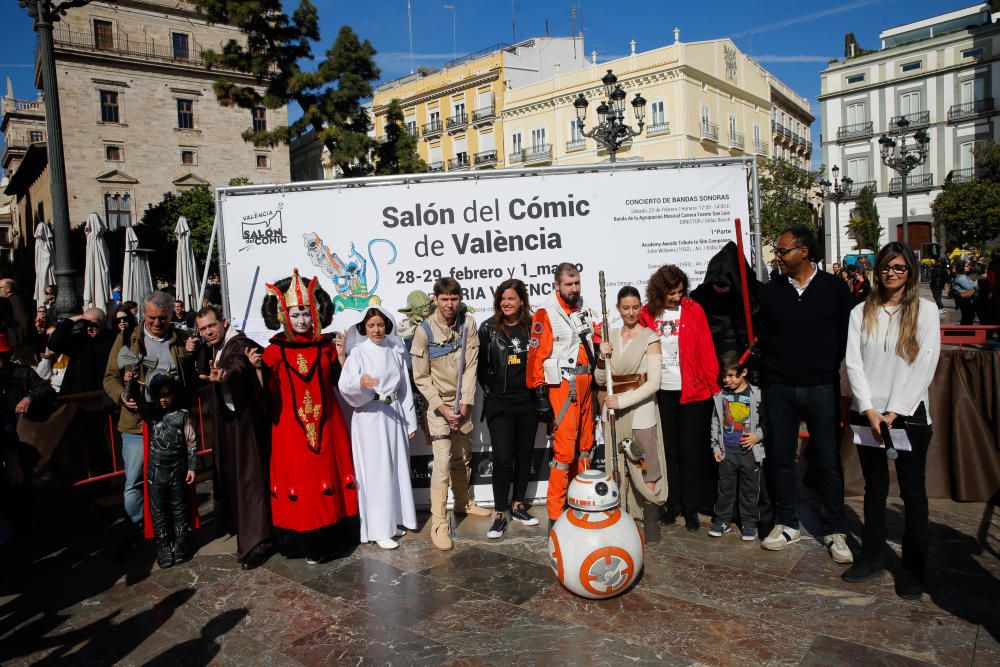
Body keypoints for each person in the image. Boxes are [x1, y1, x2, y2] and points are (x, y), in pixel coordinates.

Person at [843, 243, 940, 599]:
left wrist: (894, 411)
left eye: (899, 268)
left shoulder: (926, 312)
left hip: (909, 415)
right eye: (886, 267)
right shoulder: (860, 312)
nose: (892, 273)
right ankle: (870, 557)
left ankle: (913, 569)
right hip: (868, 414)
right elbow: (853, 363)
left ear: (909, 272)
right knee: (874, 489)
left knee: (913, 493)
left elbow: (925, 364)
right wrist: (869, 409)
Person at [757, 225, 854, 562]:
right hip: (779, 387)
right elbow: (764, 334)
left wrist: (825, 363)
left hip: (820, 386)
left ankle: (834, 528)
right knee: (781, 458)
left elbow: (845, 335)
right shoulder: (772, 292)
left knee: (827, 460)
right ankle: (786, 523)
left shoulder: (835, 289)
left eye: (783, 251)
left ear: (804, 252)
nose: (777, 257)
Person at [260, 270, 357, 564]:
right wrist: (255, 372)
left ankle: (332, 540)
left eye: (305, 313)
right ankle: (298, 541)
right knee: (300, 481)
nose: (301, 320)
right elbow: (264, 394)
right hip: (290, 432)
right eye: (295, 314)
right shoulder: (273, 352)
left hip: (328, 428)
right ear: (282, 315)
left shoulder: (327, 346)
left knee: (326, 477)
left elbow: (342, 384)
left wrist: (341, 357)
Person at [104, 291, 195, 549]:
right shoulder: (127, 338)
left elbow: (190, 379)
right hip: (136, 422)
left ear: (171, 316)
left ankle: (171, 533)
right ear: (144, 314)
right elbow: (109, 377)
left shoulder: (181, 340)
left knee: (173, 480)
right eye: (152, 318)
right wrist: (121, 395)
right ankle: (134, 533)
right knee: (135, 479)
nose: (157, 323)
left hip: (170, 423)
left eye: (163, 318)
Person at [411, 277, 489, 551]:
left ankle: (462, 503)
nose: (449, 304)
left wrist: (465, 403)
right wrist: (444, 408)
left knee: (463, 456)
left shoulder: (468, 325)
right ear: (435, 299)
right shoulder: (424, 331)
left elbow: (471, 367)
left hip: (463, 403)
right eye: (444, 299)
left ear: (459, 299)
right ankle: (439, 524)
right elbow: (420, 378)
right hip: (437, 406)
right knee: (442, 464)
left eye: (454, 298)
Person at [193, 305, 273, 570]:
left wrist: (227, 375)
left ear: (224, 322)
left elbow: (239, 366)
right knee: (237, 480)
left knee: (250, 482)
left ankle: (257, 542)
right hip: (232, 428)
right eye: (203, 329)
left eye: (211, 326)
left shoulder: (239, 344)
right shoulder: (214, 348)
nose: (208, 332)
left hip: (247, 428)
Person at [640, 265, 719, 532]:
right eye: (671, 292)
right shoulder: (646, 314)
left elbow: (706, 348)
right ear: (659, 291)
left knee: (690, 452)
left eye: (680, 291)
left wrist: (714, 387)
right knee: (668, 452)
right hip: (660, 393)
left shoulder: (694, 310)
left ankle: (691, 509)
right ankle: (671, 507)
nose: (676, 297)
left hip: (692, 393)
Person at [527, 264, 600, 529]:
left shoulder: (583, 308)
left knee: (585, 448)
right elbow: (536, 355)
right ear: (556, 285)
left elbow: (592, 342)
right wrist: (540, 393)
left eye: (577, 283)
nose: (574, 288)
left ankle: (581, 504)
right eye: (569, 284)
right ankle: (556, 516)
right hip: (563, 387)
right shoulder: (546, 313)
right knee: (563, 453)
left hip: (586, 383)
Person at [338, 307, 417, 550]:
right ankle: (379, 529)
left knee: (394, 468)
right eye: (371, 325)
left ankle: (393, 521)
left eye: (380, 325)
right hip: (370, 418)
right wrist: (360, 383)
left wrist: (410, 421)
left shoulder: (394, 351)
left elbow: (404, 389)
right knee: (376, 473)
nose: (376, 329)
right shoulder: (359, 354)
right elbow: (346, 384)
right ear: (364, 327)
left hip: (393, 416)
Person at [594, 285, 666, 544]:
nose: (631, 312)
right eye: (626, 308)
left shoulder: (651, 338)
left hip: (640, 410)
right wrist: (602, 359)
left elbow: (654, 383)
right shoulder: (609, 335)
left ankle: (650, 527)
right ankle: (621, 522)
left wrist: (622, 400)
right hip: (613, 411)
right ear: (618, 309)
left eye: (635, 307)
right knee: (616, 469)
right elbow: (601, 379)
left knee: (646, 465)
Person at [477, 279, 540, 539]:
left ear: (521, 301)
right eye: (502, 299)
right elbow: (480, 367)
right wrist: (492, 392)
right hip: (500, 403)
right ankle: (500, 513)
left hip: (528, 402)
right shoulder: (488, 328)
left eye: (511, 298)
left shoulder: (533, 326)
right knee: (503, 459)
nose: (506, 303)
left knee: (524, 456)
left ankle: (519, 506)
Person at [141, 372, 198, 569]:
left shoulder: (183, 415)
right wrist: (130, 383)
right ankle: (163, 546)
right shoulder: (151, 414)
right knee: (158, 511)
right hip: (155, 472)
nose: (163, 400)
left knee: (179, 508)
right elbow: (134, 401)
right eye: (159, 396)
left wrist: (192, 466)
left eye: (166, 395)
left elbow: (191, 442)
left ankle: (181, 543)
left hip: (177, 469)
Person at [709, 351, 765, 542]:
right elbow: (715, 423)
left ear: (744, 372)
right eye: (724, 375)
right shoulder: (721, 396)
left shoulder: (756, 394)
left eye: (732, 375)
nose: (727, 380)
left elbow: (768, 422)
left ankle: (749, 524)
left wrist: (757, 436)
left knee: (749, 491)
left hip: (749, 454)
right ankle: (723, 520)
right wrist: (716, 448)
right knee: (725, 489)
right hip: (727, 453)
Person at [46, 308, 115, 395]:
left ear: (103, 324)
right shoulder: (79, 339)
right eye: (86, 324)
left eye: (93, 325)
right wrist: (73, 319)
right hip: (77, 395)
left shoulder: (113, 339)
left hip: (104, 394)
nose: (89, 328)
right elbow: (53, 344)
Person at [0, 279, 32, 348]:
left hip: (20, 344)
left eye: (0, 288)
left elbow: (24, 321)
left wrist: (20, 341)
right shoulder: (12, 299)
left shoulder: (16, 300)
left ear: (8, 289)